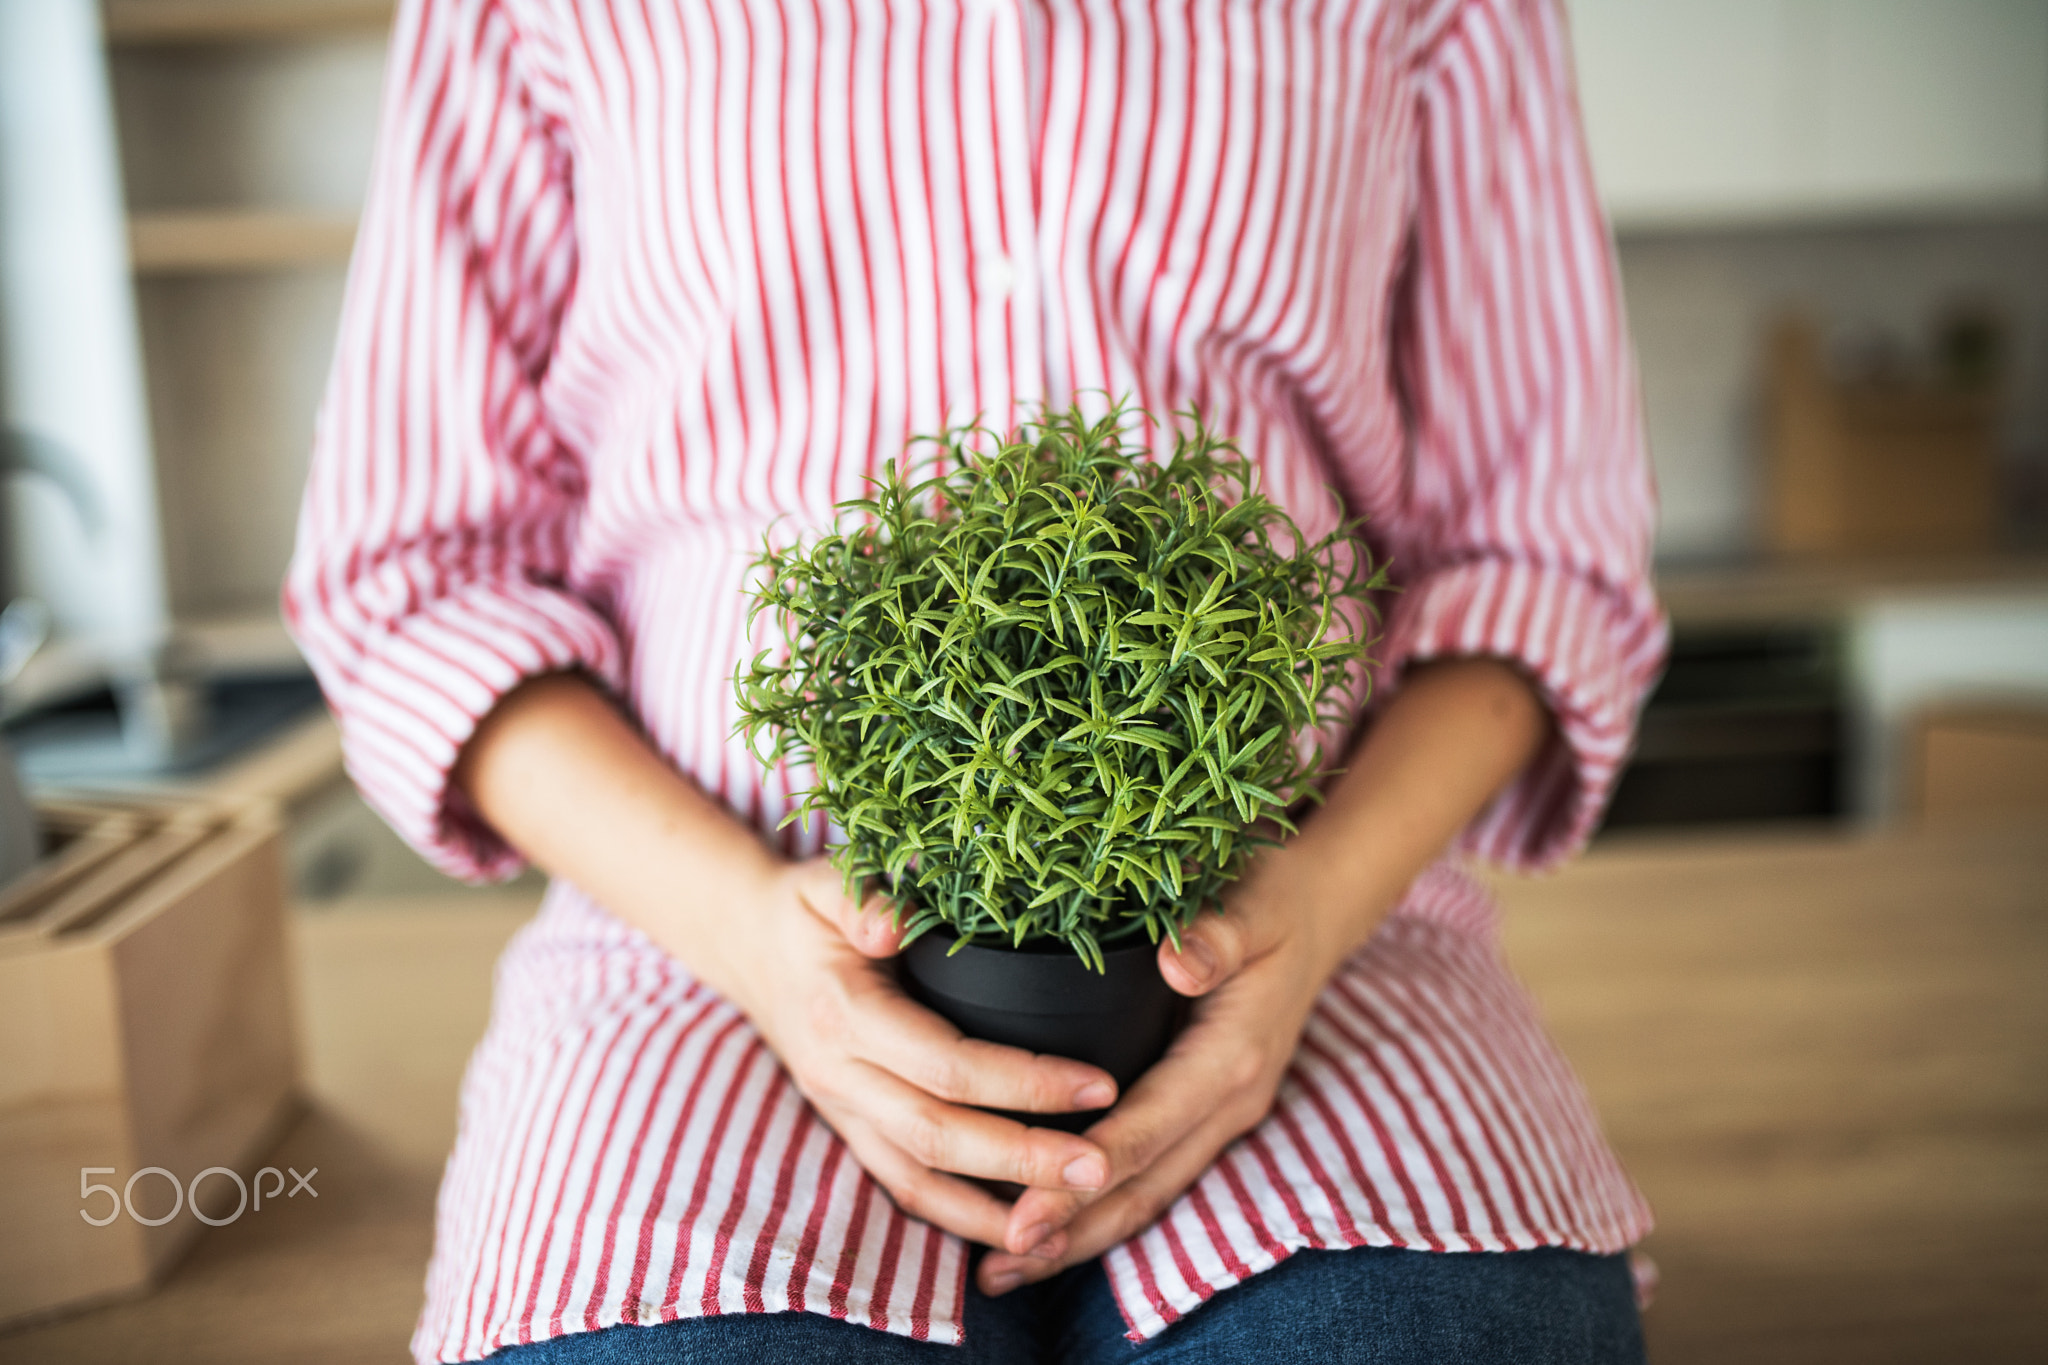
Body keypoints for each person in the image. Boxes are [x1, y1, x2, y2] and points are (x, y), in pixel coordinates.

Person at [286, 0, 1665, 1360]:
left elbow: (1532, 543)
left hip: (1305, 923)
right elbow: (423, 571)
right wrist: (753, 929)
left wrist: (1316, 901)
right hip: (696, 944)